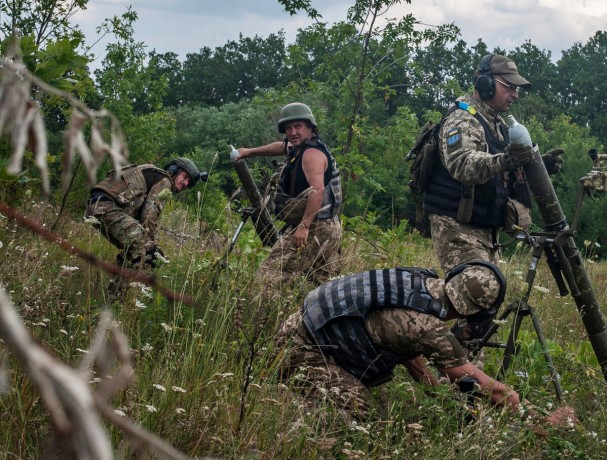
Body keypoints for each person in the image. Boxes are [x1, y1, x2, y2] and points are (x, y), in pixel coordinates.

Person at [273, 261, 576, 426]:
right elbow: (489, 387)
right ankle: (298, 418)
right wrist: (539, 418)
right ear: (476, 312)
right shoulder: (431, 331)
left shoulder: (419, 279)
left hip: (298, 327)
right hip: (301, 353)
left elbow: (401, 339)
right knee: (360, 417)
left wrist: (431, 386)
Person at [423, 54, 564, 342]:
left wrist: (535, 166)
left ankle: (466, 378)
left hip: (485, 229)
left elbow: (504, 169)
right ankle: (412, 324)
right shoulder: (462, 119)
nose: (514, 94)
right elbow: (462, 164)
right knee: (479, 295)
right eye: (507, 86)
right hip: (457, 227)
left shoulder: (496, 124)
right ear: (485, 85)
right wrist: (505, 160)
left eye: (517, 89)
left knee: (483, 308)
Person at [230, 102, 343, 287]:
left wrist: (304, 227)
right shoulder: (301, 147)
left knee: (268, 276)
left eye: (298, 126)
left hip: (316, 227)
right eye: (288, 128)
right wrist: (250, 152)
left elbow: (318, 190)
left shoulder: (311, 154)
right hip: (329, 226)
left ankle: (265, 314)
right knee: (320, 286)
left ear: (310, 127)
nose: (293, 132)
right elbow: (281, 146)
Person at [85, 157, 207, 272]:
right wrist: (152, 246)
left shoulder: (151, 173)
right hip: (108, 208)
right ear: (174, 170)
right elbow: (149, 215)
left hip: (96, 206)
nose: (185, 183)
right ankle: (115, 292)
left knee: (134, 252)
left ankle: (116, 290)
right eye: (184, 177)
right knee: (148, 252)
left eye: (188, 181)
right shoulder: (165, 181)